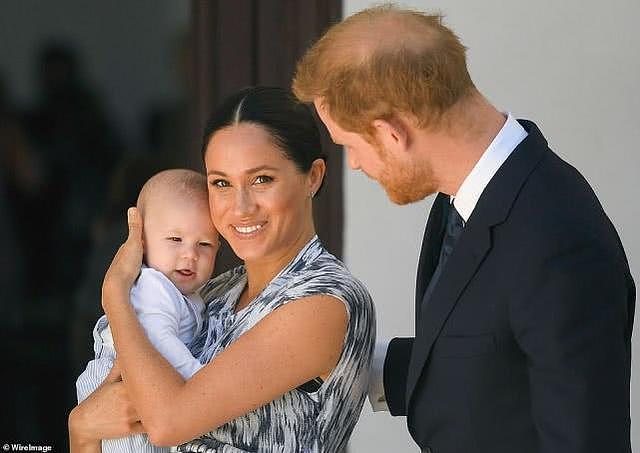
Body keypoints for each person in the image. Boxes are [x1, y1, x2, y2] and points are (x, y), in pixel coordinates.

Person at [292, 5, 635, 453]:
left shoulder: (558, 240)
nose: (354, 164)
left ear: (392, 133)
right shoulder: (467, 196)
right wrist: (340, 359)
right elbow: (486, 360)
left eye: (350, 146)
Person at [68, 86, 376, 453]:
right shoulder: (211, 293)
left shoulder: (323, 299)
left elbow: (167, 423)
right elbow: (110, 430)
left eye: (262, 179)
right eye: (221, 183)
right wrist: (81, 427)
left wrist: (115, 296)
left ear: (313, 177)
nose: (240, 207)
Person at [75, 169, 219, 452]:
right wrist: (201, 383)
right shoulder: (154, 287)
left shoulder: (187, 294)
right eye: (175, 240)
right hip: (119, 383)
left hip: (141, 385)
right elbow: (160, 341)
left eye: (204, 244)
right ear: (141, 242)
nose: (190, 254)